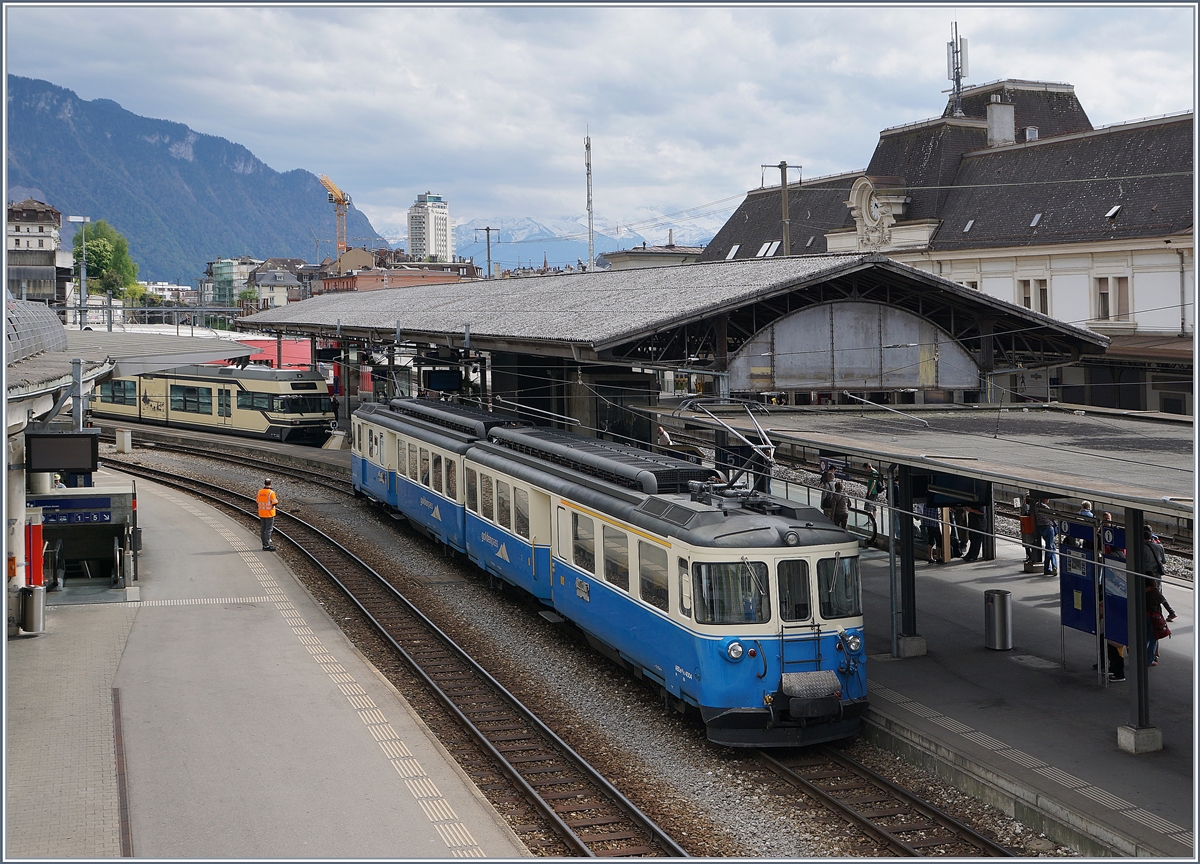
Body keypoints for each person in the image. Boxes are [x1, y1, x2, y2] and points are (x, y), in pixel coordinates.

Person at [1033, 498, 1057, 575]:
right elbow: (1052, 517)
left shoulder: (1036, 506)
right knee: (1050, 548)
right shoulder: (1045, 507)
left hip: (1041, 528)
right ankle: (1047, 568)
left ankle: (1053, 566)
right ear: (1045, 499)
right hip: (1048, 528)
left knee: (1052, 547)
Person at [257, 479, 279, 551]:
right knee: (268, 529)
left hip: (261, 513)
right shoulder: (271, 493)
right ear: (271, 483)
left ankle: (264, 544)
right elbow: (274, 502)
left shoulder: (260, 492)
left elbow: (257, 501)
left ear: (264, 483)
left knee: (263, 528)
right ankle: (266, 545)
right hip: (269, 514)